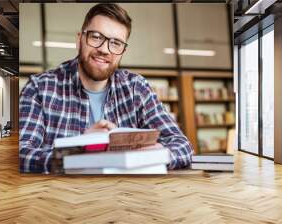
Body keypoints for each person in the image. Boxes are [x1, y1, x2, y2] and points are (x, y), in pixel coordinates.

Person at [19, 3, 193, 174]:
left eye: (116, 43)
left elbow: (182, 145)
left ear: (122, 52)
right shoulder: (39, 88)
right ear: (79, 40)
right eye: (96, 37)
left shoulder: (136, 88)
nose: (104, 49)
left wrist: (160, 154)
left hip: (127, 195)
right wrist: (80, 149)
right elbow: (21, 154)